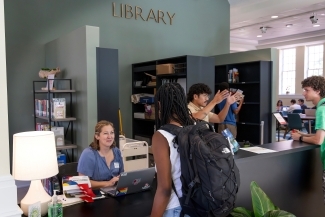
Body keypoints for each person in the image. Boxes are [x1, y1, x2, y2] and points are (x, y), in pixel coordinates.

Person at [151, 83, 193, 217]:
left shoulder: (161, 136)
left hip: (176, 208)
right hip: (196, 206)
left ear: (160, 105)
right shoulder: (194, 128)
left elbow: (165, 190)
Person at [291, 76, 325, 202]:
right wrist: (304, 135)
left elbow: (318, 140)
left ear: (318, 91)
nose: (303, 93)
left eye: (306, 90)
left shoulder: (322, 109)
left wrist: (300, 138)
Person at [77, 120, 124, 189]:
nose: (109, 136)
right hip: (95, 195)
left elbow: (122, 175)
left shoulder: (116, 151)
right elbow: (82, 182)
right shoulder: (88, 154)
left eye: (112, 133)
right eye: (105, 133)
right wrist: (107, 183)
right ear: (97, 136)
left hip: (113, 192)